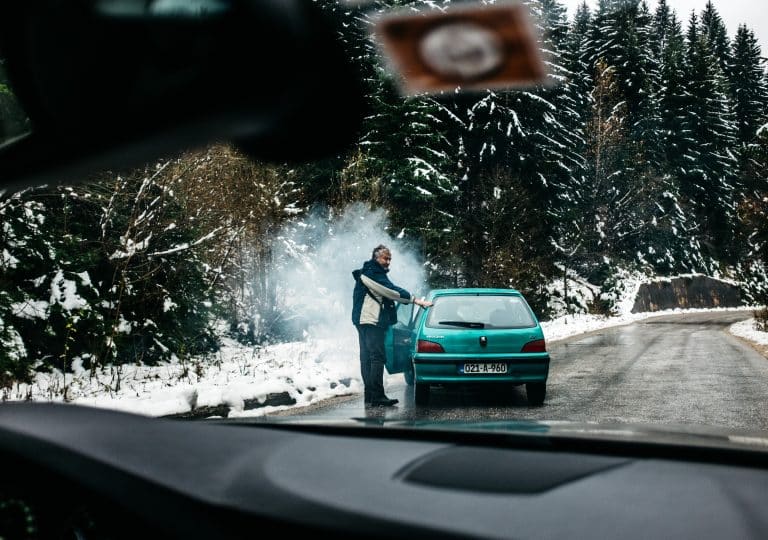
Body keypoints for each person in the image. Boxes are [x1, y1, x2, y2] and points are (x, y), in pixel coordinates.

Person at [352, 244, 432, 407]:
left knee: (367, 357)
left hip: (364, 320)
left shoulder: (370, 272)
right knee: (377, 357)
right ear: (376, 257)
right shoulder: (372, 272)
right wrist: (415, 300)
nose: (388, 261)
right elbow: (391, 291)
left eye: (390, 259)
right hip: (371, 320)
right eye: (385, 258)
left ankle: (371, 396)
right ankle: (378, 395)